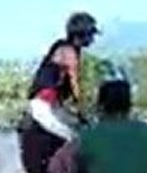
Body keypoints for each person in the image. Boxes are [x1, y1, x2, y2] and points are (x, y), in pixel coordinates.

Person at [26, 11, 100, 142]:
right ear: (82, 34)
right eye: (91, 35)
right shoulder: (69, 52)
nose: (93, 39)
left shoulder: (63, 47)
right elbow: (75, 85)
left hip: (50, 106)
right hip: (44, 108)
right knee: (76, 140)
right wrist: (83, 112)